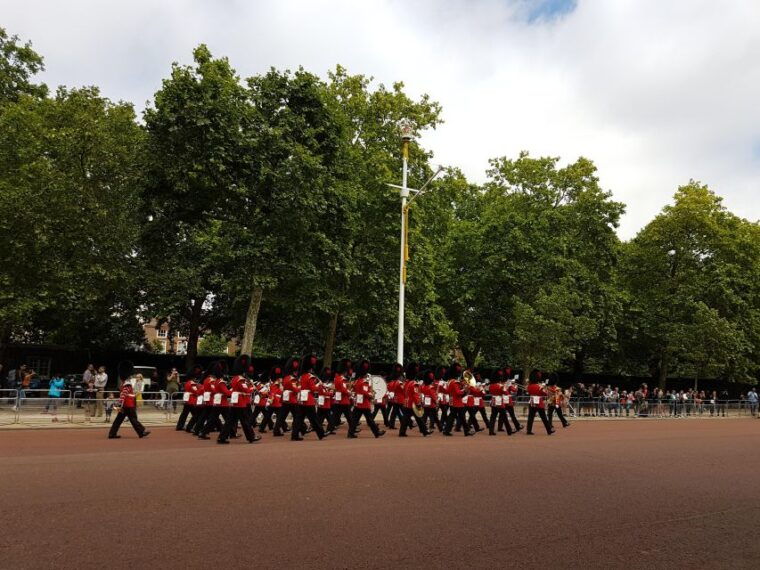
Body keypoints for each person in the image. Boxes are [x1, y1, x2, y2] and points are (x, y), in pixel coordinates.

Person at [219, 356, 259, 444]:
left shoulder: (235, 378)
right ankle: (251, 437)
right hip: (240, 402)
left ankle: (222, 437)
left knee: (230, 421)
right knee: (245, 421)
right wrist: (252, 388)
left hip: (236, 402)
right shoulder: (240, 379)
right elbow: (245, 390)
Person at [347, 360, 385, 439]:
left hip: (358, 403)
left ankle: (350, 433)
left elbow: (354, 389)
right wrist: (371, 395)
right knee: (370, 420)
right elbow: (365, 392)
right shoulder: (364, 382)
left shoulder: (357, 381)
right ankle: (376, 432)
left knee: (355, 420)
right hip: (364, 404)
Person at [291, 354, 325, 441]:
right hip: (308, 400)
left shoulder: (301, 376)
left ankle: (294, 435)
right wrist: (320, 385)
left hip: (301, 400)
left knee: (298, 419)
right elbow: (314, 389)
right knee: (314, 419)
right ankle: (321, 434)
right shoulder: (310, 377)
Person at [175, 365, 203, 432]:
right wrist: (201, 388)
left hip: (188, 400)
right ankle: (196, 427)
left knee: (185, 414)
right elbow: (196, 392)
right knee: (196, 415)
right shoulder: (192, 383)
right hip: (191, 400)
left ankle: (180, 426)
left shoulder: (187, 383)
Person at [526, 371, 553, 436]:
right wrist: (545, 389)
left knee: (531, 417)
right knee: (544, 417)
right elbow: (545, 393)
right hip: (538, 402)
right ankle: (549, 430)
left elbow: (528, 392)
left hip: (532, 402)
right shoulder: (539, 386)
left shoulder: (529, 386)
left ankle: (529, 430)